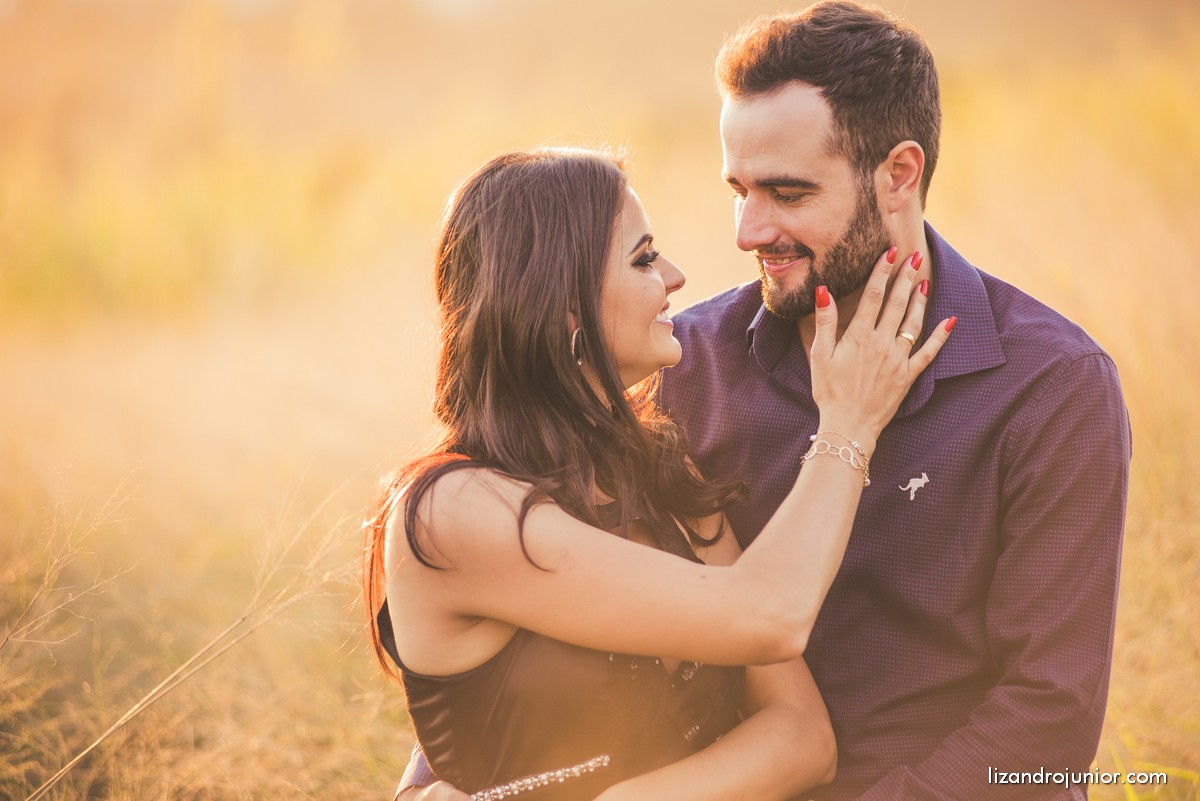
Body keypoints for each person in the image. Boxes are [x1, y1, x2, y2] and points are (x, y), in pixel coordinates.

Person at [394, 3, 1132, 800]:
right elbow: (540, 596)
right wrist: (445, 776)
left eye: (786, 192)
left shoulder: (1049, 387)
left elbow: (1048, 721)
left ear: (899, 173)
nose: (748, 231)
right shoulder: (690, 364)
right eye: (738, 190)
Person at [366, 147, 953, 801]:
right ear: (564, 305)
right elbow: (771, 615)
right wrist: (846, 426)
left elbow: (803, 736)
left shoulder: (662, 476)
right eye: (643, 258)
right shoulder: (454, 509)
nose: (674, 276)